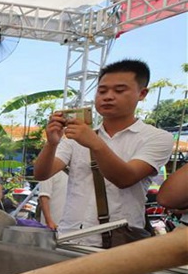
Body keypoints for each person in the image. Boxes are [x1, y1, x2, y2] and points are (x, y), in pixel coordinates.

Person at [34, 59, 174, 246]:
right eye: (102, 91)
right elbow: (42, 173)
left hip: (119, 243)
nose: (108, 96)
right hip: (70, 237)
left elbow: (125, 178)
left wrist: (95, 143)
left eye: (119, 90)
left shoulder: (156, 137)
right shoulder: (78, 136)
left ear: (142, 93)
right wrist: (51, 144)